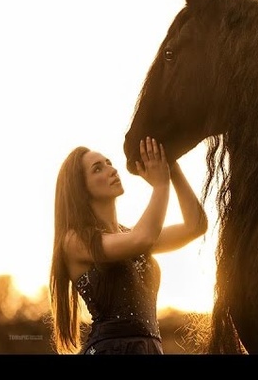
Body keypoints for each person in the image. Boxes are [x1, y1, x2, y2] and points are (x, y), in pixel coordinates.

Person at [49, 136, 208, 354]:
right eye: (97, 169)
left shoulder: (131, 236)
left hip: (150, 349)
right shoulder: (74, 241)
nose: (111, 170)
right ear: (81, 190)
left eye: (109, 163)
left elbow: (195, 226)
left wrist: (172, 168)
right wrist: (161, 185)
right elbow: (143, 239)